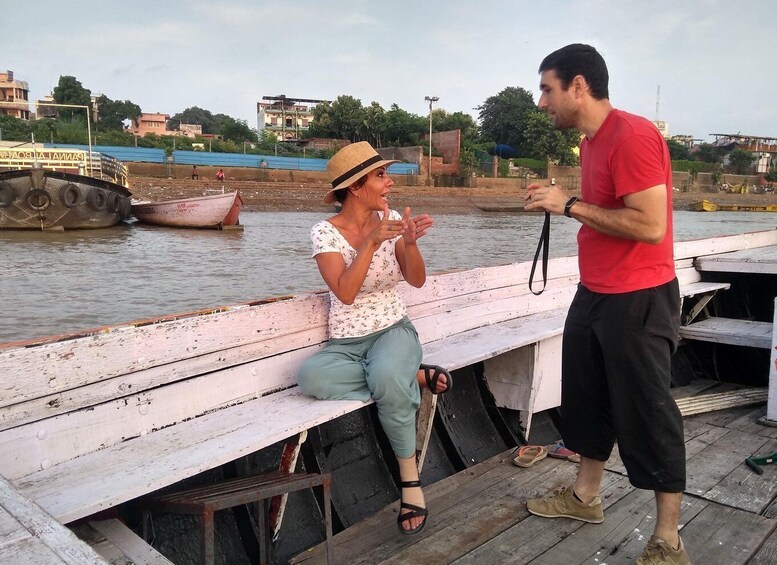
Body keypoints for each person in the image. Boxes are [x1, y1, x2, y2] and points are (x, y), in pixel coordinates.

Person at [523, 44, 688, 565]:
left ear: (578, 85)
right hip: (594, 293)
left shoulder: (634, 135)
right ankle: (584, 497)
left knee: (647, 412)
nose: (542, 101)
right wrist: (566, 199)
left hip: (638, 299)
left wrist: (567, 204)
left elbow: (650, 225)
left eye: (547, 89)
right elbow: (607, 209)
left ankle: (667, 538)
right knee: (587, 400)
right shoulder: (591, 143)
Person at [296, 141, 449, 536]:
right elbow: (345, 292)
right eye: (380, 175)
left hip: (392, 330)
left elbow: (415, 279)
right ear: (355, 187)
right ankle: (411, 376)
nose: (389, 182)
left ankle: (410, 481)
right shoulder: (324, 233)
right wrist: (370, 242)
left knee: (384, 378)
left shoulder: (393, 218)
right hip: (346, 342)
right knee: (311, 378)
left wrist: (409, 244)